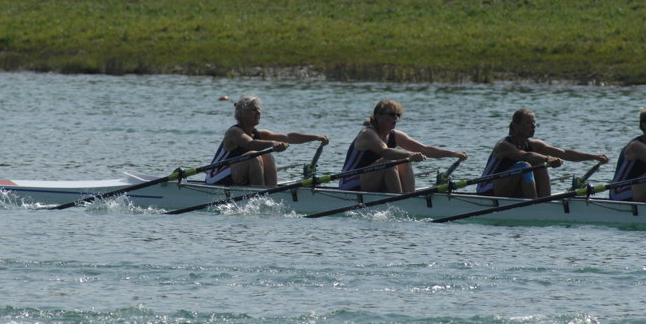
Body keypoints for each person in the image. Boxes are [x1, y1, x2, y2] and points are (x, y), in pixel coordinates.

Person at [339, 99, 467, 193]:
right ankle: (401, 201)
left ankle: (409, 197)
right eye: (391, 114)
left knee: (403, 162)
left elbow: (424, 149)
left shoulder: (395, 135)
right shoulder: (368, 134)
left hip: (371, 179)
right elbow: (386, 152)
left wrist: (453, 154)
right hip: (350, 181)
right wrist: (410, 155)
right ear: (378, 116)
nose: (395, 118)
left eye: (398, 115)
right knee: (390, 161)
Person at [477, 109, 609, 198]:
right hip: (488, 190)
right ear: (516, 126)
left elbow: (564, 153)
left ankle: (545, 200)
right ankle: (536, 205)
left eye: (534, 122)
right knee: (525, 165)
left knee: (538, 162)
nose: (533, 126)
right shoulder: (503, 146)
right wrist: (548, 159)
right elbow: (525, 156)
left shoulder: (534, 145)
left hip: (508, 187)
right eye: (528, 122)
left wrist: (593, 157)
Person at [206, 95, 328, 187]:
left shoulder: (260, 134)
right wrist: (272, 143)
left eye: (258, 109)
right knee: (254, 156)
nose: (258, 112)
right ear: (242, 113)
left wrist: (316, 137)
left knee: (267, 156)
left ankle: (271, 192)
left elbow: (288, 137)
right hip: (216, 177)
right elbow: (250, 143)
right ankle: (259, 195)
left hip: (235, 174)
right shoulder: (234, 132)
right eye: (253, 109)